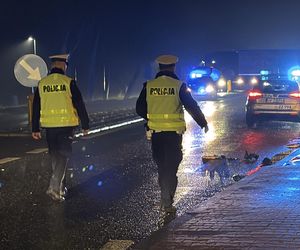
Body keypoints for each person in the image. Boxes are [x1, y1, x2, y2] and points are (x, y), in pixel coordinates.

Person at [136, 54, 208, 213]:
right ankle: (167, 200)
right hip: (174, 135)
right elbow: (191, 106)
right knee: (171, 167)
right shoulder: (178, 85)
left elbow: (139, 109)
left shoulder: (148, 85)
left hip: (156, 134)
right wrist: (202, 123)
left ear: (159, 67)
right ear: (173, 67)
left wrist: (151, 116)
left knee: (162, 166)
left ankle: (165, 196)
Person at [32, 54, 89, 202]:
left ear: (52, 66)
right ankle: (54, 187)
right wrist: (85, 125)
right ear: (63, 65)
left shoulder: (42, 83)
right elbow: (79, 104)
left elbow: (36, 106)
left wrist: (35, 128)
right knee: (63, 156)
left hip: (49, 127)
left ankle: (61, 188)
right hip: (66, 126)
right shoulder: (69, 82)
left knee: (55, 156)